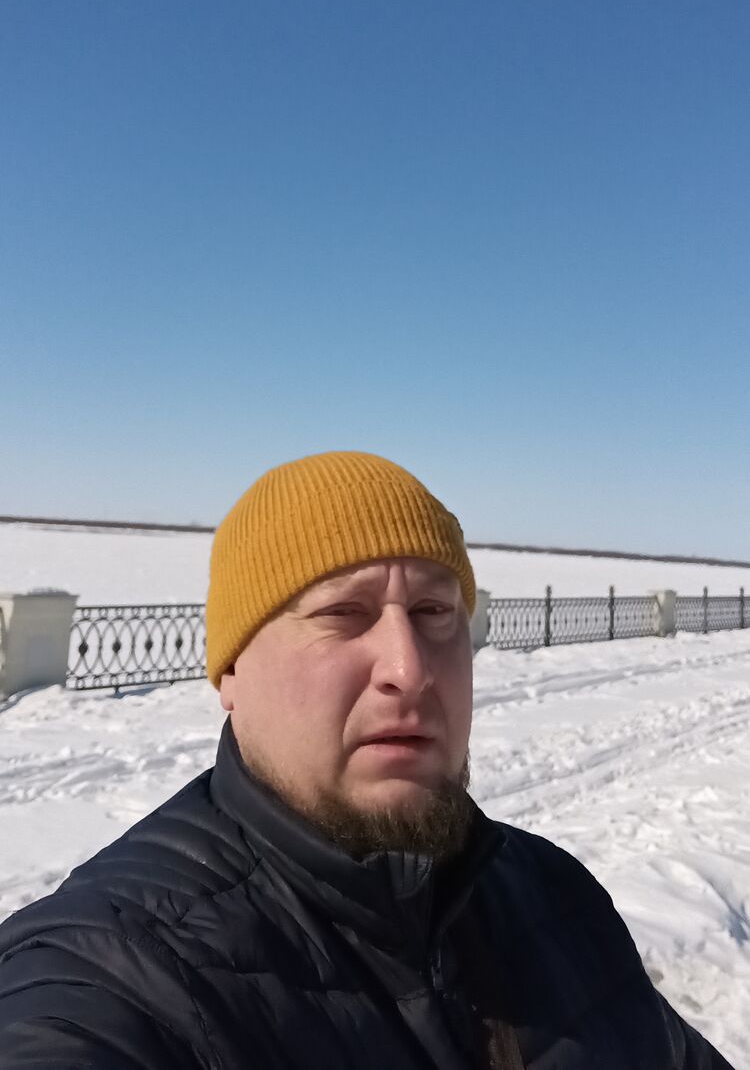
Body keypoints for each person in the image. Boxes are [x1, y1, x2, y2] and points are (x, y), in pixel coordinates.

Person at [0, 451, 734, 1068]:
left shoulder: (555, 899)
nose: (408, 669)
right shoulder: (116, 972)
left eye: (434, 612)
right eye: (342, 613)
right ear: (232, 670)